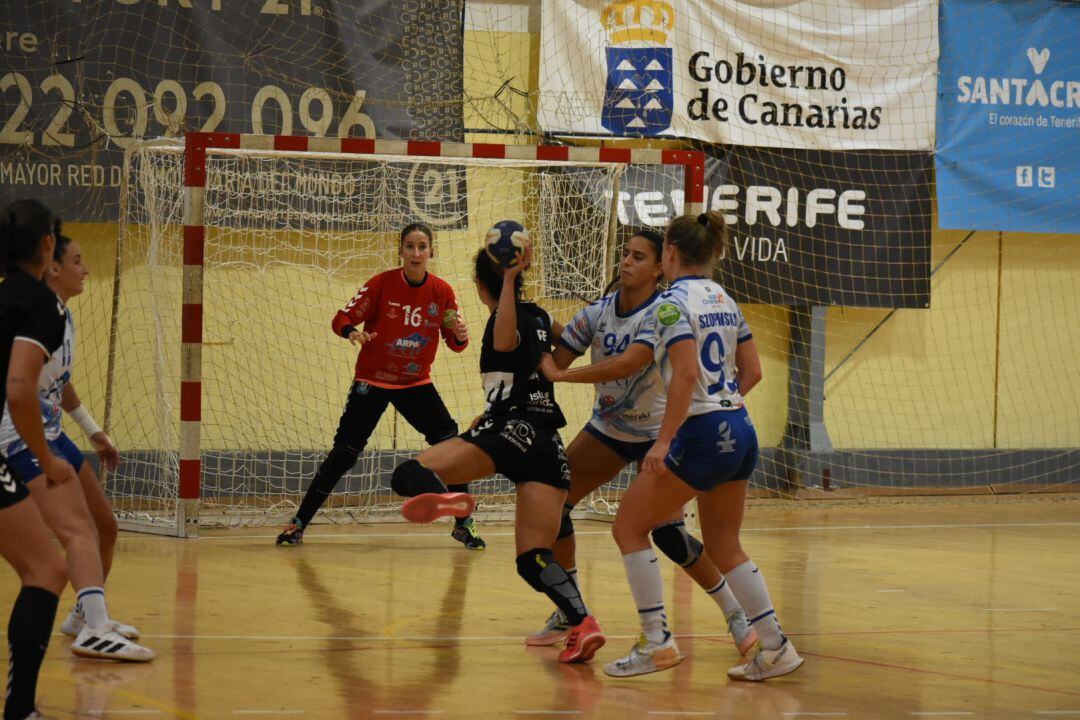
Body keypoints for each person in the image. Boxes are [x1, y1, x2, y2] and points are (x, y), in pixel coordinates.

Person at [543, 212, 802, 681]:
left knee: (628, 526)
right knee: (726, 545)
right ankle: (775, 647)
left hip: (701, 433)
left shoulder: (669, 305)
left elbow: (683, 374)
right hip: (740, 427)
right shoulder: (725, 298)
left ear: (670, 255)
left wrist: (666, 441)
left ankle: (657, 642)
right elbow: (754, 371)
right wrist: (723, 405)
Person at [390, 240, 605, 664]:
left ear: (477, 284)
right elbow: (577, 338)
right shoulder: (542, 316)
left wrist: (506, 280)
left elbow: (506, 340)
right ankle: (581, 622)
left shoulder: (500, 321)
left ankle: (449, 495)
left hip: (507, 433)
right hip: (545, 443)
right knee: (532, 558)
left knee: (407, 473)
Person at [0, 215, 154, 664]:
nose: (86, 269)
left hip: (51, 431)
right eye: (77, 260)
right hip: (21, 436)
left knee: (104, 526)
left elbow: (59, 384)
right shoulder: (32, 311)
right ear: (51, 264)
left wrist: (94, 431)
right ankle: (98, 630)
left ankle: (84, 616)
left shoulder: (59, 315)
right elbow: (20, 385)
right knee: (77, 530)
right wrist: (44, 455)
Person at [276, 223, 485, 550]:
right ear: (400, 251)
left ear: (431, 252)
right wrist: (352, 333)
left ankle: (463, 523)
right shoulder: (380, 284)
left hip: (415, 383)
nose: (416, 253)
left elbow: (454, 342)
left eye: (422, 247)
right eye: (410, 247)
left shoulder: (442, 292)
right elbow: (341, 318)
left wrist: (460, 334)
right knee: (344, 453)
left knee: (451, 443)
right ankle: (298, 523)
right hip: (373, 382)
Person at [0, 199, 81, 720]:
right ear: (48, 247)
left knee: (46, 566)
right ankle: (20, 709)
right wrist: (45, 458)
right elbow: (19, 387)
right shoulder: (40, 305)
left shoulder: (7, 295)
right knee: (46, 569)